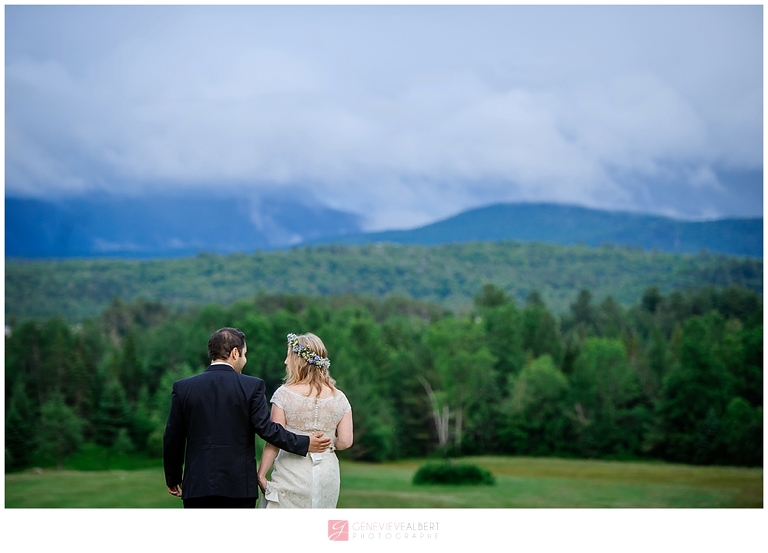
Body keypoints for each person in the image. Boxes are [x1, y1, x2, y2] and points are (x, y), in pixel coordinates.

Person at [163, 327, 331, 508]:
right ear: (235, 353)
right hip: (239, 487)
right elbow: (267, 430)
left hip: (197, 486)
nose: (245, 359)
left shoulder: (183, 388)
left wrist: (173, 477)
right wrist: (304, 443)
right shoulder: (252, 386)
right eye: (244, 354)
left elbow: (173, 437)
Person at [257, 332, 353, 508]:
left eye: (288, 356)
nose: (286, 362)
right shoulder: (340, 398)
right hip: (327, 474)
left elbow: (275, 438)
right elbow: (346, 442)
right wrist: (330, 443)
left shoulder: (284, 394)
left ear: (299, 361)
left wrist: (261, 474)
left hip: (291, 473)